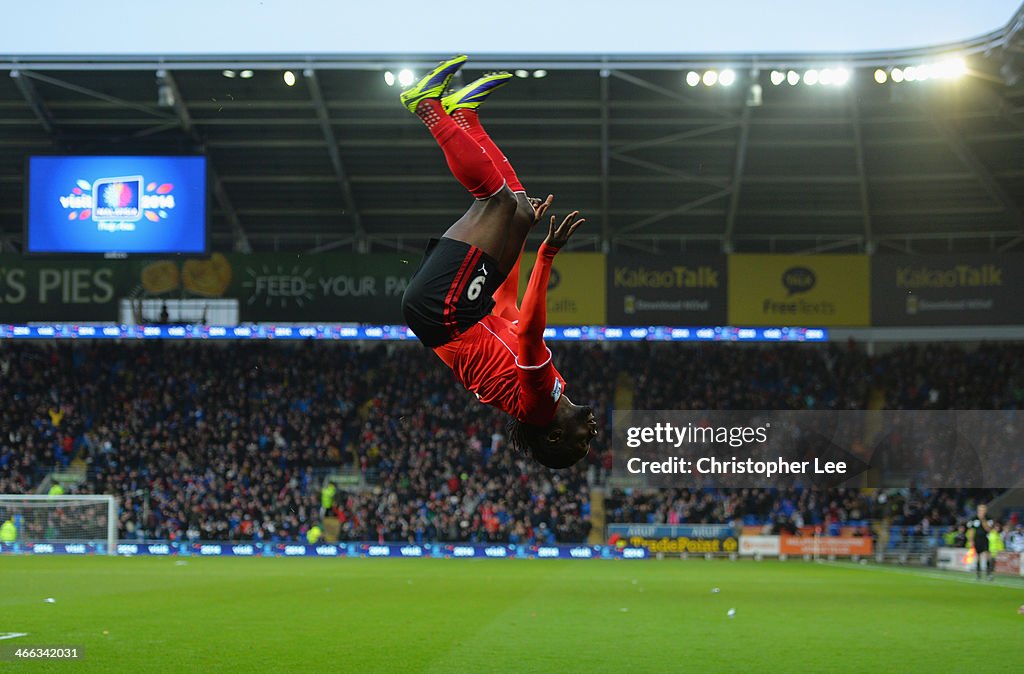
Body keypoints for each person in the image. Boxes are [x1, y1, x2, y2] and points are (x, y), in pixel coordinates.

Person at [399, 55, 598, 469]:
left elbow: (529, 330)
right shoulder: (550, 393)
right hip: (462, 313)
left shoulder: (542, 404)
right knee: (520, 211)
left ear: (556, 434)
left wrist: (547, 254)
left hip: (446, 314)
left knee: (495, 200)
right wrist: (523, 235)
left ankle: (428, 108)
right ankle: (465, 116)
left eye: (581, 445)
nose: (592, 437)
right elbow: (507, 309)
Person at [968, 504, 993, 580]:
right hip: (977, 539)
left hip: (985, 538)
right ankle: (978, 574)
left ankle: (989, 574)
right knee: (978, 556)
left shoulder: (988, 518)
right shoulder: (974, 518)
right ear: (978, 510)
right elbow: (971, 530)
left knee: (987, 555)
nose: (982, 511)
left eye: (983, 510)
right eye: (980, 510)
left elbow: (988, 529)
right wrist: (971, 540)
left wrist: (983, 520)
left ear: (985, 510)